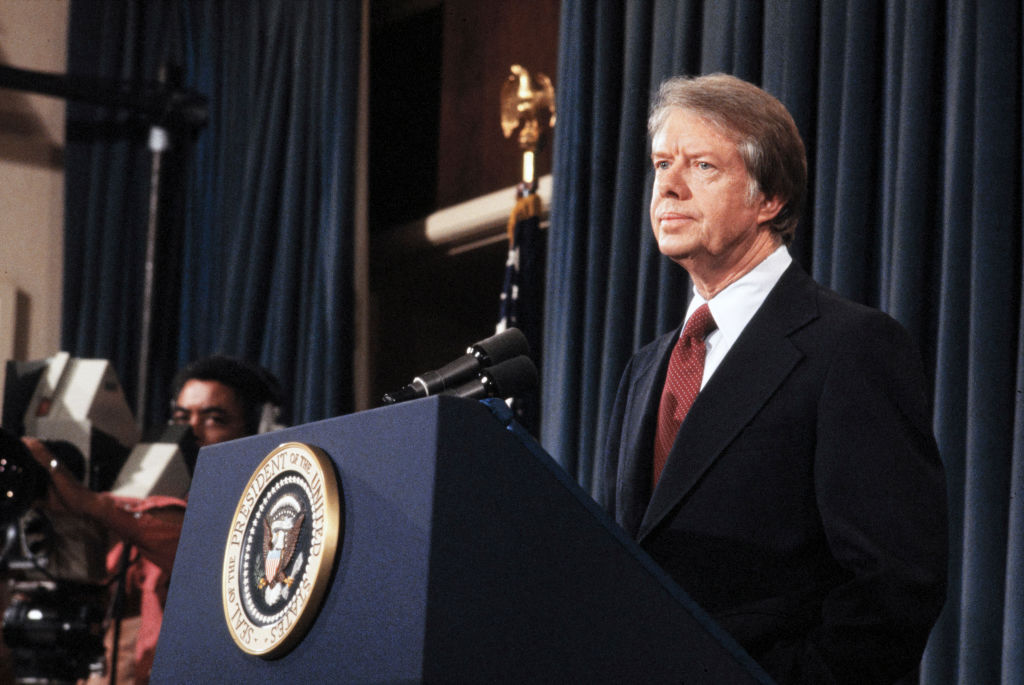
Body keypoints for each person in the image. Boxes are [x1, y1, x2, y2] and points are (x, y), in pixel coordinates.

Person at [600, 74, 948, 684]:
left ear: (770, 199)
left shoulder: (849, 346)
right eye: (662, 164)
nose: (669, 186)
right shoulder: (646, 368)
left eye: (702, 165)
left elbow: (894, 584)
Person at [21, 355, 283, 685]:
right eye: (180, 417)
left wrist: (92, 504)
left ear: (257, 428)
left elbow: (195, 548)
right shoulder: (141, 510)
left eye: (214, 419)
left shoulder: (267, 516)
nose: (191, 433)